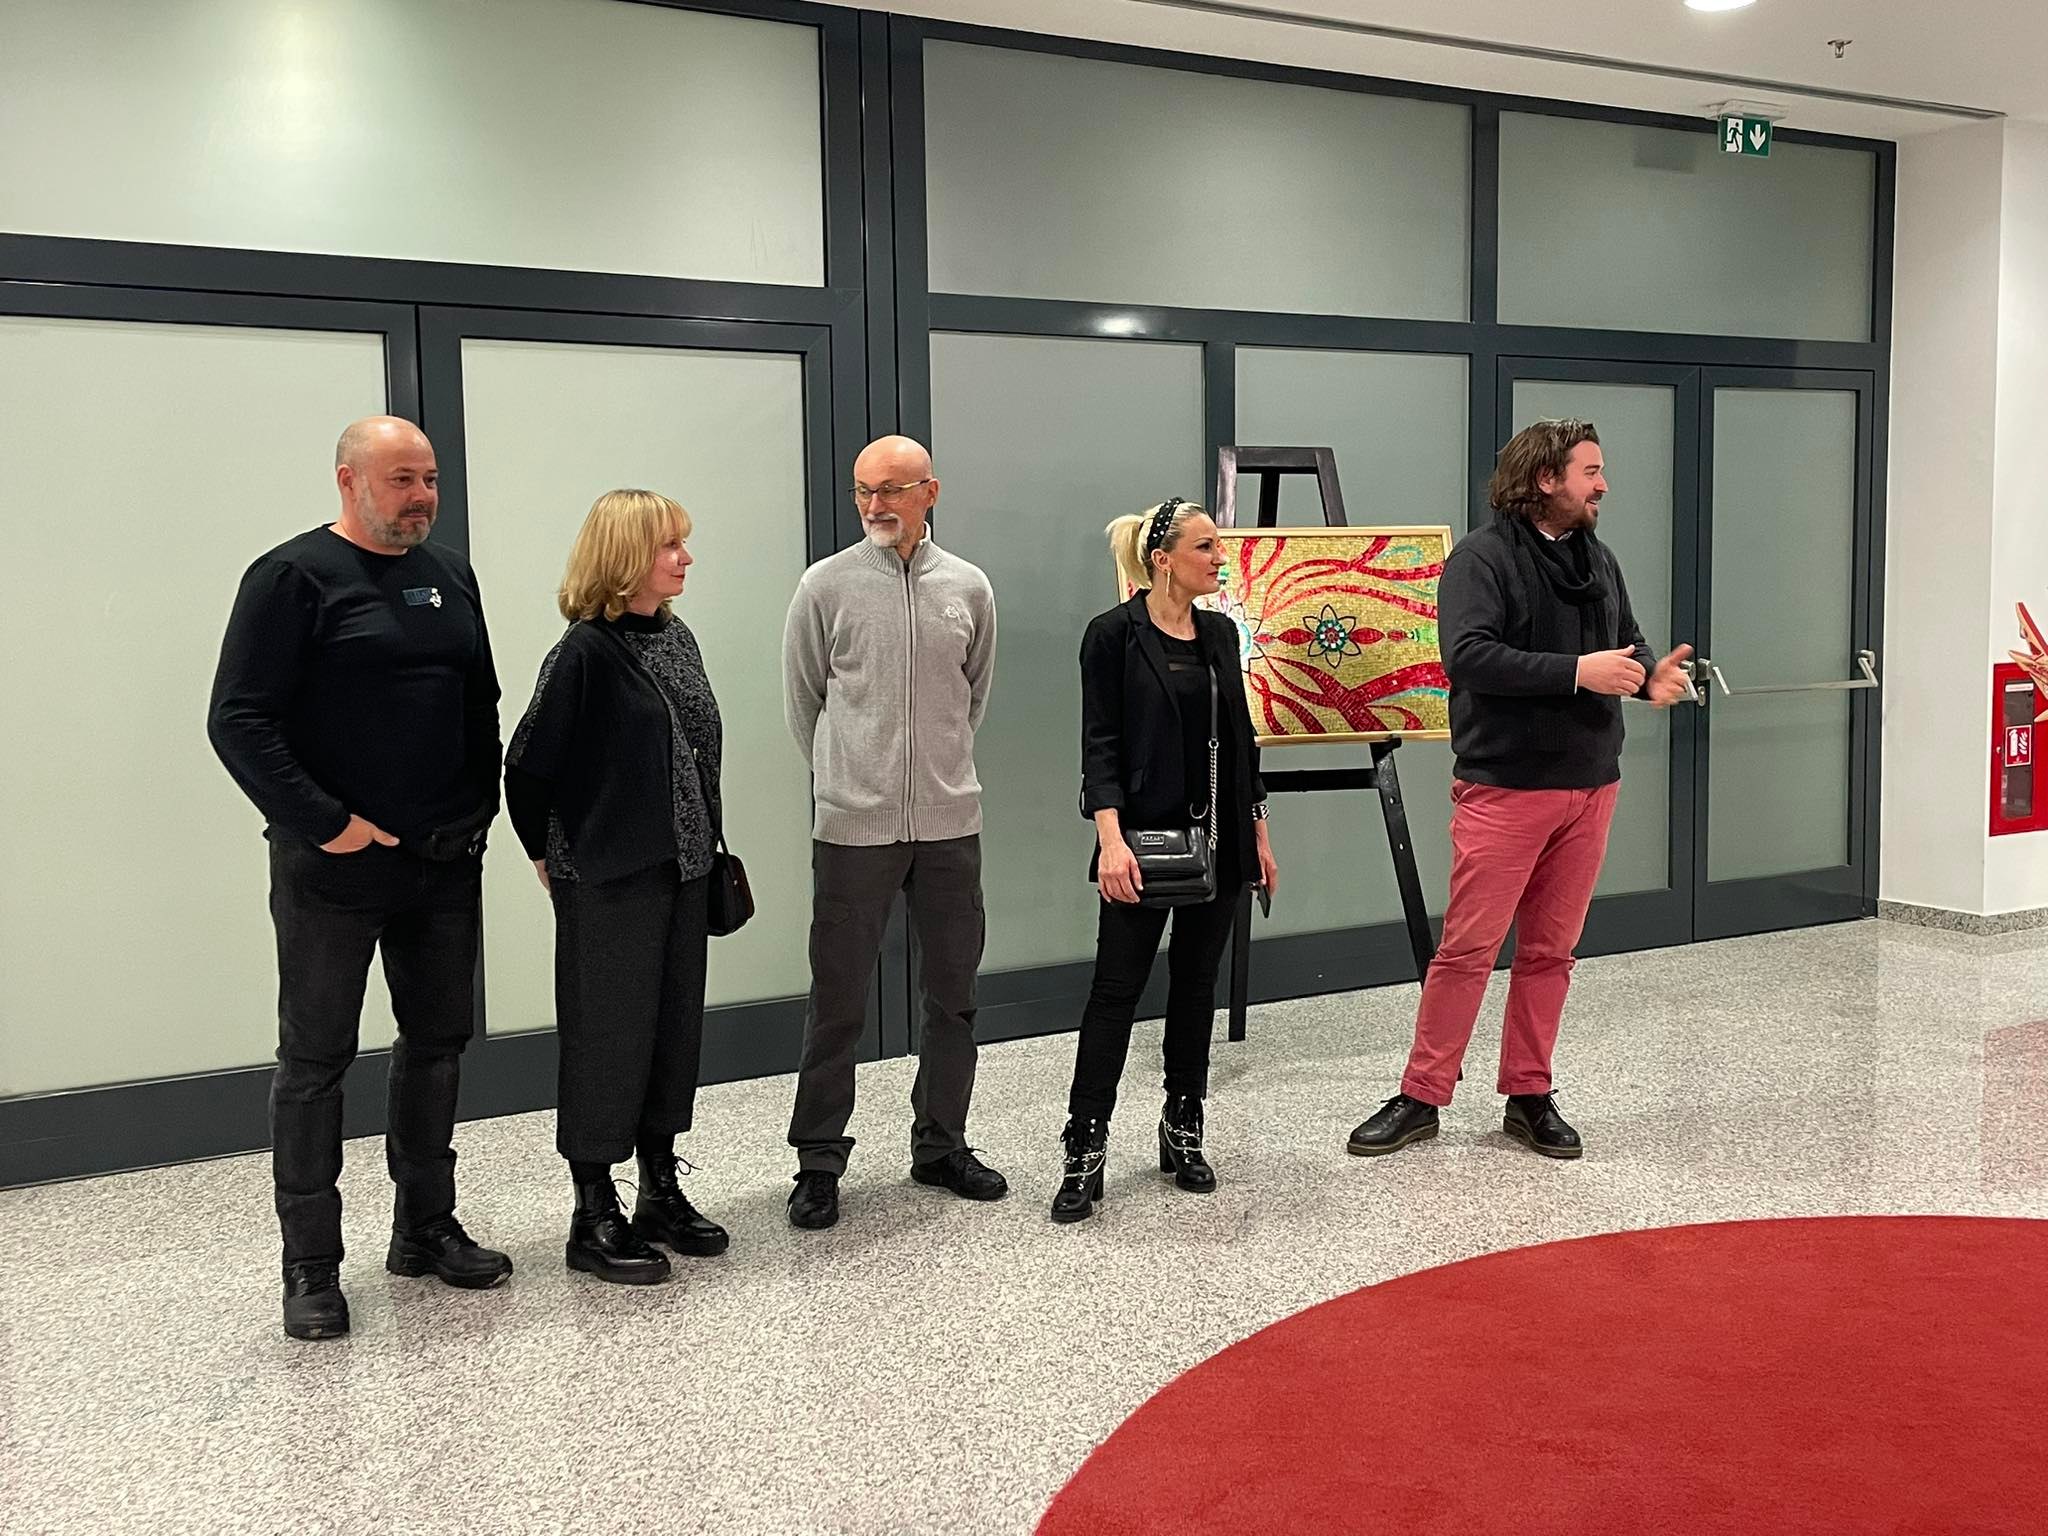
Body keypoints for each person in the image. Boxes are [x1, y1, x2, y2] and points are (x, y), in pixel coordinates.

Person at [207, 415, 509, 1342]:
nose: (421, 497)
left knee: (437, 1043)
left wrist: (478, 809)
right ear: (348, 481)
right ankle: (310, 1266)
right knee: (315, 1061)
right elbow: (238, 720)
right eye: (401, 479)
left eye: (430, 479)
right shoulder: (290, 578)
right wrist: (330, 824)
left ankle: (424, 1228)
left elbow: (481, 701)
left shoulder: (450, 575)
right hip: (331, 870)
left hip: (443, 863)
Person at [1347, 419, 1691, 1162]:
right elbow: (1468, 657)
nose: (1603, 486)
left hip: (1592, 787)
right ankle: (1421, 1095)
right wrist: (1578, 672)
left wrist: (1649, 676)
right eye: (1590, 472)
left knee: (1551, 953)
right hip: (1505, 790)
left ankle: (1529, 1094)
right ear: (1545, 479)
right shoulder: (1481, 559)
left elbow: (1628, 643)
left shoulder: (1599, 559)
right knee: (1467, 950)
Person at [505, 489, 730, 1286]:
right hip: (608, 879)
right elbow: (527, 768)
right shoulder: (582, 654)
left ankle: (659, 1189)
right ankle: (593, 1213)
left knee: (671, 1033)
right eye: (670, 545)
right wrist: (546, 857)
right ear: (626, 556)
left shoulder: (677, 636)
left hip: (684, 871)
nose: (685, 558)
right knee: (607, 1042)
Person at [781, 434, 1003, 1229]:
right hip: (854, 828)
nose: (874, 505)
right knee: (838, 1003)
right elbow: (805, 701)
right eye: (862, 490)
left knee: (953, 998)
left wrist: (934, 776)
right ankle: (818, 1161)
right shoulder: (826, 586)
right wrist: (852, 779)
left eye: (890, 490)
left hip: (949, 825)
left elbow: (973, 697)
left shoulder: (969, 587)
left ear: (929, 493)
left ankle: (941, 1145)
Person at [1053, 499, 1278, 1224]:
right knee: (1115, 991)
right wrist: (1109, 840)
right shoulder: (1112, 635)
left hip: (1221, 841)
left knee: (1195, 984)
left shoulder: (1219, 633)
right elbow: (1099, 745)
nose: (1221, 558)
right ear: (1163, 559)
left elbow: (1241, 740)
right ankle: (1085, 1143)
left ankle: (1183, 1123)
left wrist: (1258, 833)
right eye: (1206, 547)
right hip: (1140, 843)